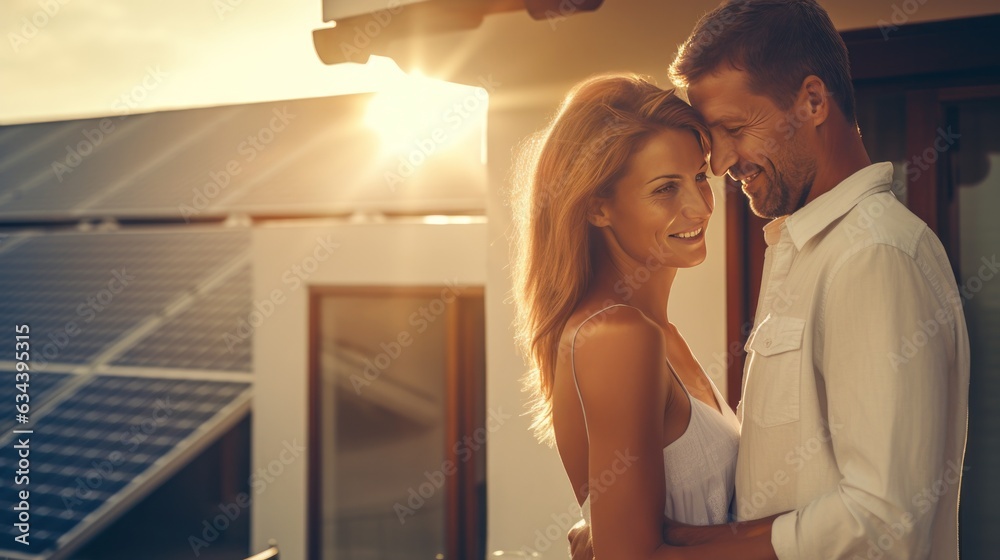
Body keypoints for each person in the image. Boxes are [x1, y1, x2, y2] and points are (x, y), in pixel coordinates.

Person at [568, 1, 970, 559]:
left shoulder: (871, 255)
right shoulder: (808, 251)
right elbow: (794, 496)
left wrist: (677, 552)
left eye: (735, 129)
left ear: (812, 101)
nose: (722, 163)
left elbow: (883, 520)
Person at [512, 73, 779, 559]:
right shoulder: (617, 335)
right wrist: (818, 535)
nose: (699, 207)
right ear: (598, 208)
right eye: (665, 189)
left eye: (699, 176)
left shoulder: (656, 333)